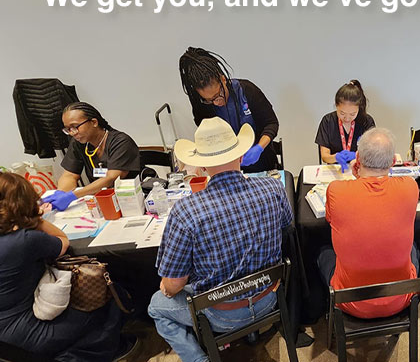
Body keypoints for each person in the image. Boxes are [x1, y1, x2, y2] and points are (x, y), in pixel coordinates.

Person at [148, 117, 292, 362]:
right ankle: (252, 333)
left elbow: (173, 285)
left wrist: (167, 286)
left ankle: (198, 359)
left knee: (156, 305)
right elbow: (286, 225)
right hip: (269, 298)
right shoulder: (274, 187)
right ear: (240, 155)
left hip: (222, 314)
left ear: (202, 166)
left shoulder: (186, 210)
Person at [0, 173, 129, 361]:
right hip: (25, 335)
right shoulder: (25, 240)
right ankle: (92, 354)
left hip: (5, 343)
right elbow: (63, 242)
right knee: (109, 293)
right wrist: (35, 217)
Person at [317, 128, 420, 319]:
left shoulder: (336, 190)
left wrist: (357, 178)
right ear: (393, 162)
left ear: (358, 158)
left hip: (350, 301)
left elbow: (330, 219)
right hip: (400, 298)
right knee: (413, 249)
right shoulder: (410, 187)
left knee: (323, 252)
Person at [179, 46, 280, 172]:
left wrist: (259, 148)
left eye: (217, 95)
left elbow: (271, 123)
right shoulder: (201, 106)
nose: (216, 103)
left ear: (223, 79)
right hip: (225, 170)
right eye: (209, 100)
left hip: (261, 165)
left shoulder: (247, 91)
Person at [42, 101, 141, 211]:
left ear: (94, 122)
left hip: (132, 199)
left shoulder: (121, 141)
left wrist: (73, 196)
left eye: (75, 127)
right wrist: (61, 193)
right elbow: (69, 175)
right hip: (104, 200)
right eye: (68, 129)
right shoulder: (79, 143)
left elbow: (111, 178)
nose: (72, 133)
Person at [315, 79, 376, 171]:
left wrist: (356, 156)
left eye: (352, 114)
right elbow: (324, 156)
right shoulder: (328, 121)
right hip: (335, 171)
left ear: (359, 108)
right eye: (342, 113)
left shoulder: (366, 121)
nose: (347, 118)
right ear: (336, 106)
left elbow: (372, 153)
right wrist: (335, 157)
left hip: (361, 170)